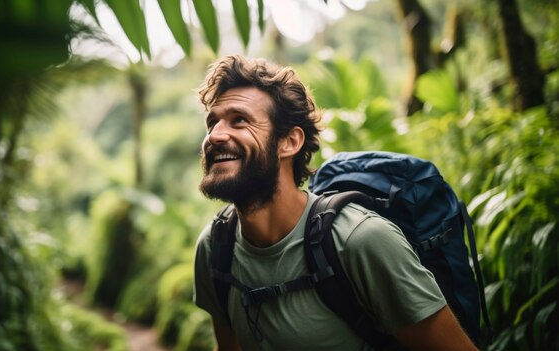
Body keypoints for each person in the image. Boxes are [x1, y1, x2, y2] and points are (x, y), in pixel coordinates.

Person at [193, 55, 477, 350]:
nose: (215, 135)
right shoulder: (216, 247)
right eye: (212, 122)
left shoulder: (360, 241)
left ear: (288, 142)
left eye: (239, 120)